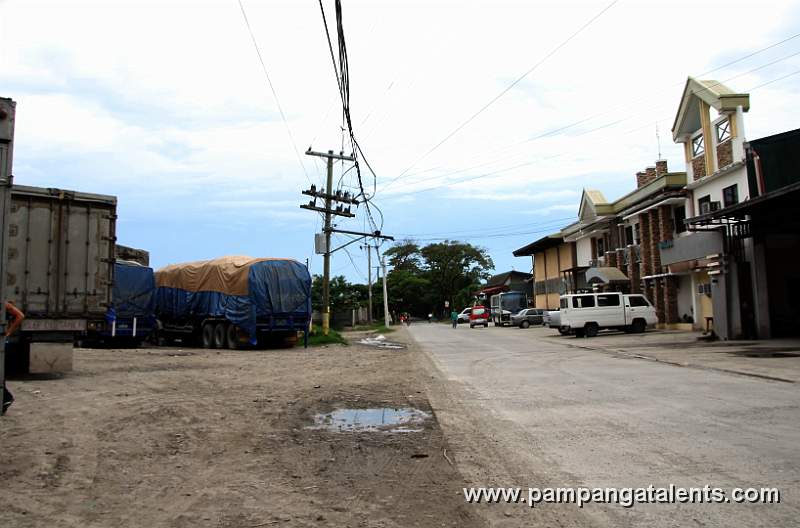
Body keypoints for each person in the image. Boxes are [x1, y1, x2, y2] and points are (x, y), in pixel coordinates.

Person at [2, 301, 25, 415]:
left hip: (2, 344)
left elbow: (20, 315)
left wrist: (8, 332)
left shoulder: (3, 304)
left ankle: (6, 398)